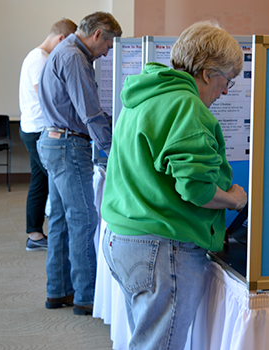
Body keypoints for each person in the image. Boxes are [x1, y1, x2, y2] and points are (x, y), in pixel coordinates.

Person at [100, 20, 247, 350]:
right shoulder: (186, 106)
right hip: (162, 248)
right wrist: (235, 199)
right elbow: (197, 190)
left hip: (122, 239)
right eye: (228, 80)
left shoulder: (146, 94)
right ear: (209, 74)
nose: (226, 90)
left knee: (144, 339)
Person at [37, 11, 122, 316]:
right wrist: (114, 153)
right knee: (84, 220)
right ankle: (86, 296)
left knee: (60, 220)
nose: (109, 52)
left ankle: (58, 291)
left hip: (53, 141)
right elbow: (89, 113)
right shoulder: (74, 57)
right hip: (70, 145)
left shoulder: (63, 52)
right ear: (98, 34)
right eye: (109, 45)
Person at [18, 18, 78, 252]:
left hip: (31, 129)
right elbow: (48, 98)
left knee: (40, 182)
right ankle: (51, 238)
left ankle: (34, 234)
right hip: (37, 131)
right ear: (61, 39)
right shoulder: (40, 60)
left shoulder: (36, 56)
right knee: (57, 183)